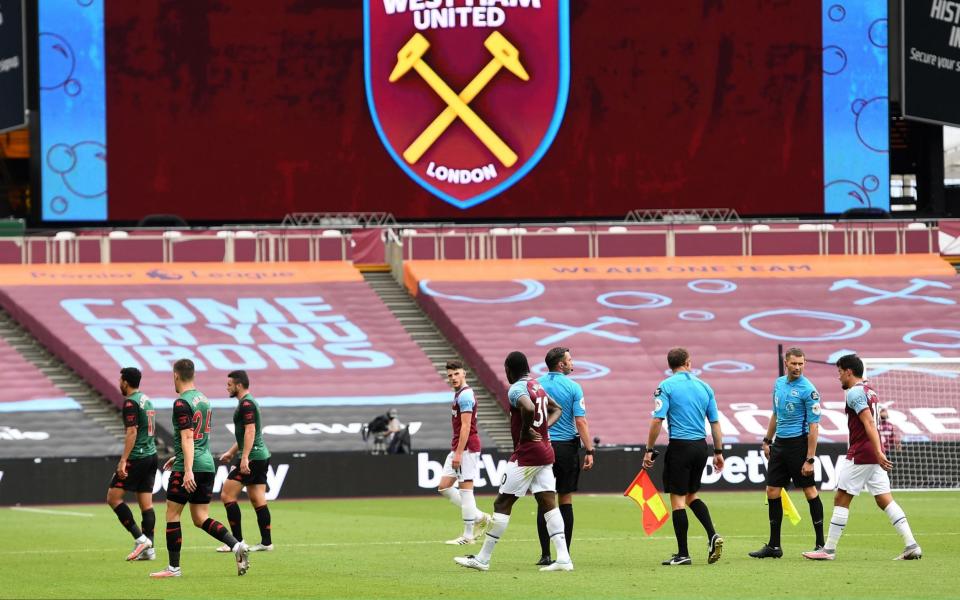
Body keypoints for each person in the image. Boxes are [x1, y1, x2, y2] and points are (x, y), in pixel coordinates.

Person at [454, 351, 573, 572]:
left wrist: (528, 429)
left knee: (502, 504)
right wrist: (543, 429)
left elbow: (527, 408)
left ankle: (482, 559)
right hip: (546, 451)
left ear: (509, 369)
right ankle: (564, 558)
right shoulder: (537, 385)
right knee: (549, 503)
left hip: (527, 454)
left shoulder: (517, 389)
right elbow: (557, 409)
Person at [803, 354, 922, 561]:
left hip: (862, 452)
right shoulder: (870, 391)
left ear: (849, 372)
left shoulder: (854, 393)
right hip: (873, 451)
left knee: (841, 498)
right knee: (884, 499)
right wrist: (878, 450)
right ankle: (911, 544)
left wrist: (876, 451)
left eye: (840, 373)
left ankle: (828, 549)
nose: (839, 377)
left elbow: (868, 423)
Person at [150, 359, 250, 578]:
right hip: (207, 464)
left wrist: (186, 470)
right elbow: (198, 436)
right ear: (193, 375)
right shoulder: (204, 400)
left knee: (172, 514)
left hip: (191, 466)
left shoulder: (181, 403)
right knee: (200, 517)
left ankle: (173, 569)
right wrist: (179, 455)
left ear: (176, 375)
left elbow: (187, 436)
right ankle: (236, 545)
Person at [643, 347, 724, 566]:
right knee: (691, 496)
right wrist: (718, 452)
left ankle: (683, 554)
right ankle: (712, 534)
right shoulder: (704, 387)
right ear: (688, 363)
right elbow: (715, 423)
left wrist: (649, 449)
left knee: (678, 500)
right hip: (701, 447)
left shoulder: (666, 386)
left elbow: (657, 420)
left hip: (680, 446)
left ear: (670, 365)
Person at [750, 347, 825, 559]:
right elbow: (775, 413)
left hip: (799, 446)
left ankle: (821, 544)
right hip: (780, 445)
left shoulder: (809, 390)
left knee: (809, 491)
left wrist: (810, 458)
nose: (798, 367)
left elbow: (814, 427)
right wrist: (767, 440)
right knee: (772, 491)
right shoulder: (779, 383)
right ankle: (774, 546)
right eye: (794, 363)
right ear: (786, 363)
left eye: (801, 363)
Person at [534, 346, 594, 565]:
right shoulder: (573, 387)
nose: (572, 362)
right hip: (566, 448)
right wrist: (589, 450)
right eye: (569, 359)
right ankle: (564, 553)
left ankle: (545, 554)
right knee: (565, 499)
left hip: (541, 446)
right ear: (560, 364)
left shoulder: (536, 385)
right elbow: (581, 421)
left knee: (544, 499)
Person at [216, 370, 273, 553]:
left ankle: (237, 541)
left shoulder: (246, 404)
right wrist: (232, 452)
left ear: (238, 385)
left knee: (227, 494)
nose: (227, 388)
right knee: (257, 498)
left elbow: (250, 431)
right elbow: (246, 434)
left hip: (254, 456)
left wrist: (245, 457)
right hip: (260, 455)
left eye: (229, 384)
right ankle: (266, 542)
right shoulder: (249, 402)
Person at [438, 360, 492, 545]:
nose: (453, 378)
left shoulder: (466, 396)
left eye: (456, 374)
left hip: (467, 448)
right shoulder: (459, 394)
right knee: (444, 486)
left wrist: (459, 453)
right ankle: (480, 517)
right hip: (459, 447)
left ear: (464, 373)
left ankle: (468, 536)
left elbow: (466, 426)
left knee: (466, 490)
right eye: (450, 375)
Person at [107, 367, 158, 561]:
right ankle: (149, 549)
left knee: (113, 498)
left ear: (125, 382)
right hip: (151, 455)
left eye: (120, 380)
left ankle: (140, 538)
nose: (119, 383)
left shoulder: (130, 403)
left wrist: (123, 460)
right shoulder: (146, 400)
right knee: (146, 503)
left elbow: (132, 431)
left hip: (137, 456)